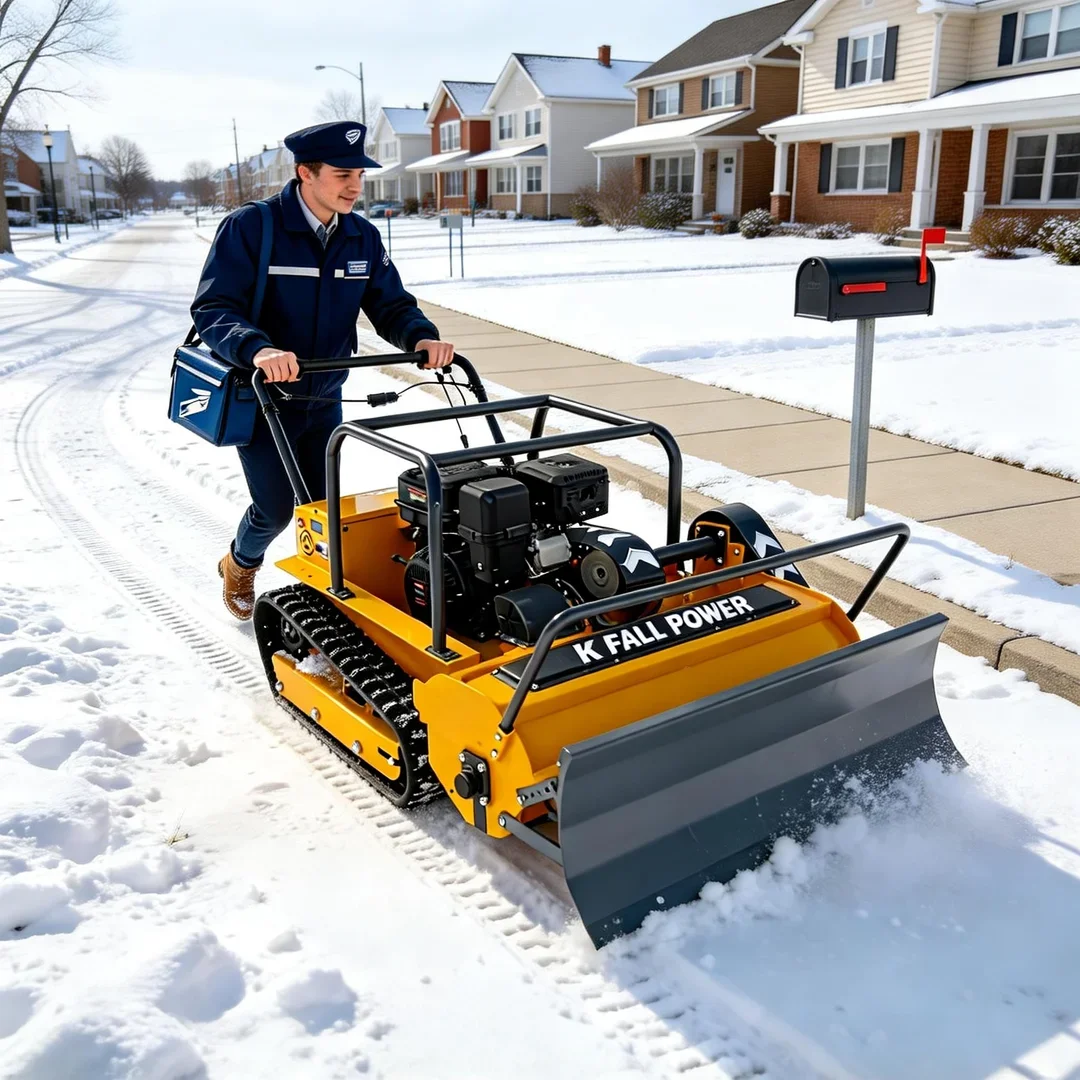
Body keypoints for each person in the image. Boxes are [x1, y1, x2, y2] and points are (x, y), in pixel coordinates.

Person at [190, 120, 453, 619]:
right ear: (305, 173)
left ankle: (330, 604)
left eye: (359, 174)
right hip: (263, 397)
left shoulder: (361, 237)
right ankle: (240, 563)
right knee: (275, 508)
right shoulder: (254, 227)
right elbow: (213, 308)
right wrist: (258, 350)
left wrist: (420, 336)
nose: (355, 186)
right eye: (342, 174)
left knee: (321, 509)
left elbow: (390, 303)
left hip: (324, 394)